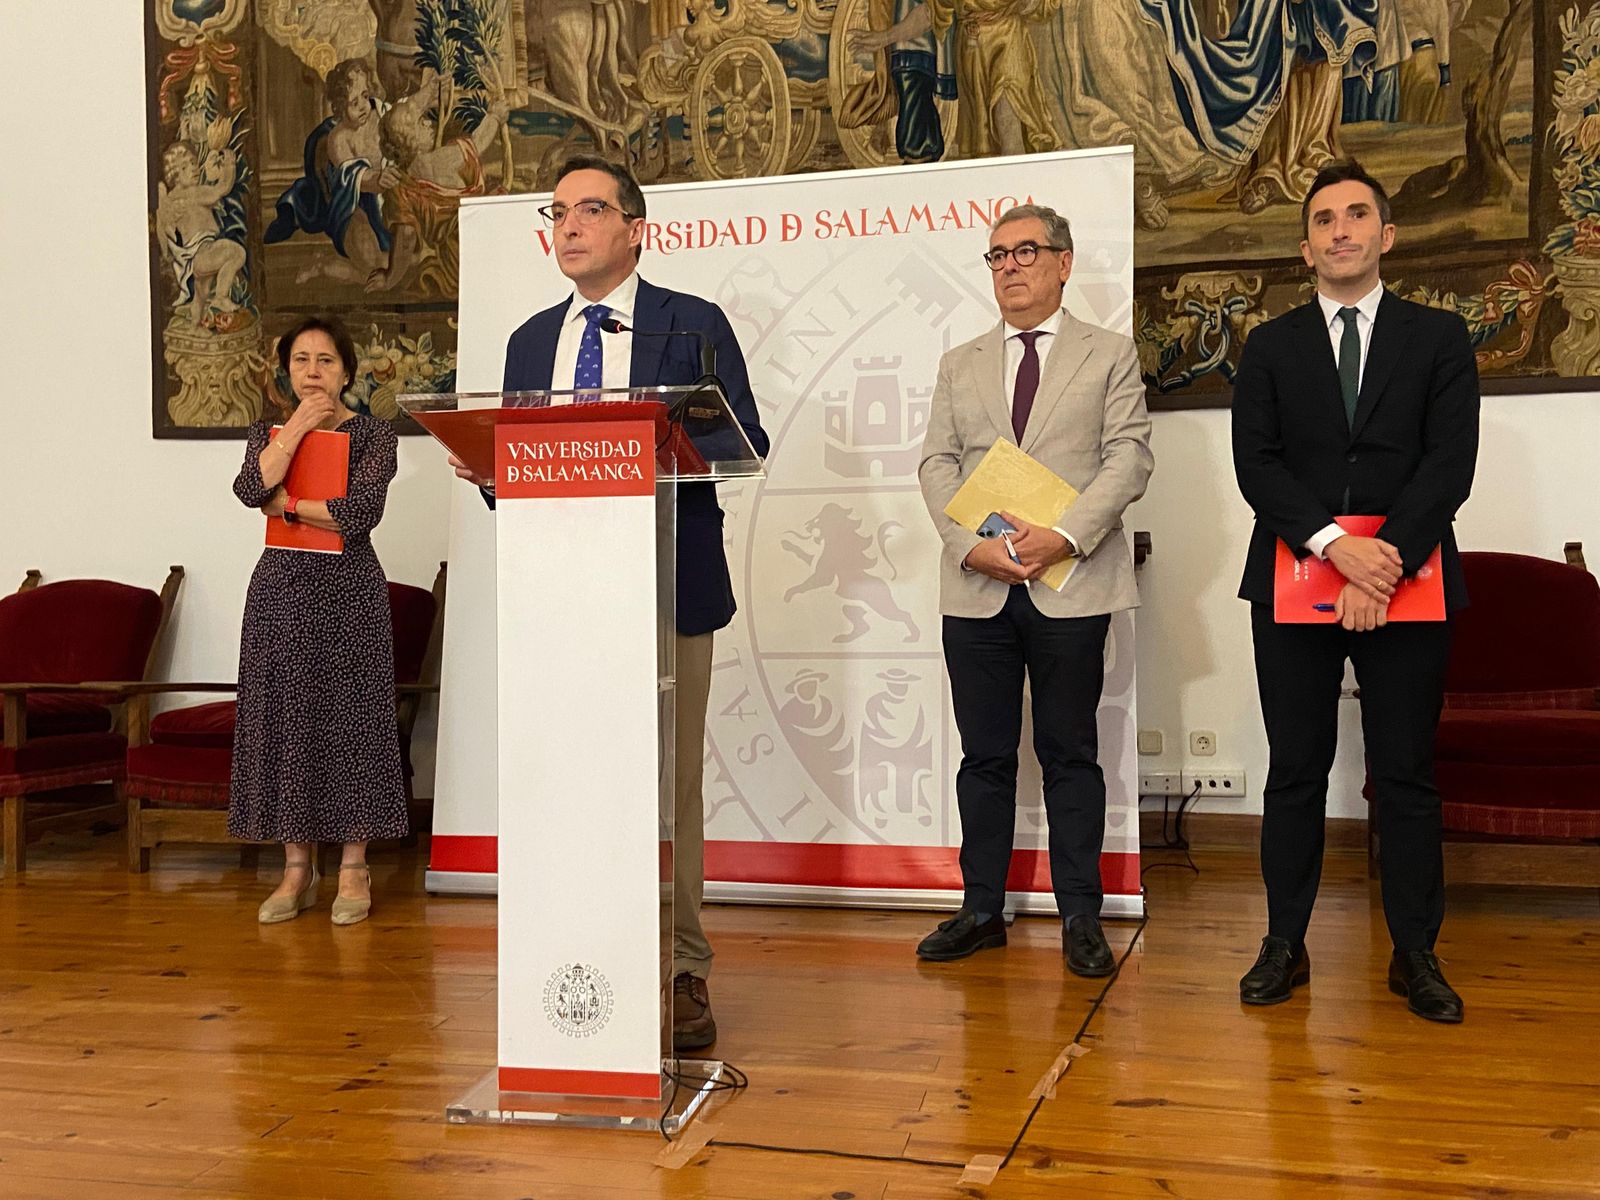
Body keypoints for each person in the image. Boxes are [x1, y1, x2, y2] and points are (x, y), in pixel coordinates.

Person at [449, 155, 769, 1050]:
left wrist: (658, 428)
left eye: (592, 209)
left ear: (636, 228)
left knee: (671, 788)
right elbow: (515, 480)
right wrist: (488, 470)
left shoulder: (689, 325)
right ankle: (582, 950)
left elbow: (746, 442)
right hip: (562, 595)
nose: (571, 225)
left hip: (669, 584)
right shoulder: (526, 342)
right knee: (570, 781)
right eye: (557, 211)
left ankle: (683, 969)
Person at [1231, 159, 1479, 1022]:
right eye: (1326, 219)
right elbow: (1255, 465)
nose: (1341, 230)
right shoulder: (1269, 346)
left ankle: (1415, 953)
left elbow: (1450, 462)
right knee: (1294, 772)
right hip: (1295, 577)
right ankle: (1283, 945)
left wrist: (1391, 558)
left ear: (1386, 235)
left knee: (1405, 774)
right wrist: (1341, 549)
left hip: (1410, 580)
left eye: (1357, 215)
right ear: (1306, 247)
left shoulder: (1440, 339)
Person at [915, 204, 1153, 976]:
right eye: (995, 256)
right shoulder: (961, 360)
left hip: (1071, 582)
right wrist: (968, 547)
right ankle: (982, 908)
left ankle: (1081, 916)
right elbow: (936, 465)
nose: (1009, 266)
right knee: (983, 757)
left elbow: (1129, 459)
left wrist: (1066, 536)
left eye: (1025, 251)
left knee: (1069, 754)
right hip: (979, 589)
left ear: (1064, 262)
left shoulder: (1109, 353)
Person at [230, 315, 409, 926]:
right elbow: (248, 488)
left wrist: (292, 506)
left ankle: (355, 865)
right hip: (279, 590)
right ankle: (296, 868)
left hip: (348, 590)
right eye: (302, 360)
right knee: (287, 718)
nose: (313, 371)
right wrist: (295, 433)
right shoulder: (268, 430)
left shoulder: (376, 435)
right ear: (286, 372)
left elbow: (359, 513)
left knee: (352, 720)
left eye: (326, 361)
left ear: (348, 372)